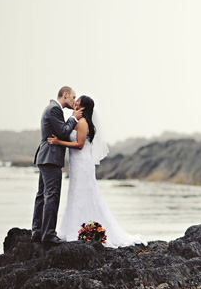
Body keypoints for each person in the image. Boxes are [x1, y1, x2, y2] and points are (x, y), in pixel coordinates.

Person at [47, 95, 146, 248]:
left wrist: (58, 142)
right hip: (77, 164)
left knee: (82, 193)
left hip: (82, 164)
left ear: (83, 106)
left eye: (78, 101)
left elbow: (79, 145)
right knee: (76, 194)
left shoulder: (83, 123)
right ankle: (75, 229)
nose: (75, 103)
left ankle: (81, 230)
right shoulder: (77, 121)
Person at [32, 87, 82, 246]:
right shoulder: (54, 109)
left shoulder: (51, 108)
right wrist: (73, 118)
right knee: (51, 195)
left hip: (45, 157)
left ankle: (38, 230)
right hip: (50, 158)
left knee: (42, 195)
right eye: (73, 97)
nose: (74, 101)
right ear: (65, 95)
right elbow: (63, 132)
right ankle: (48, 234)